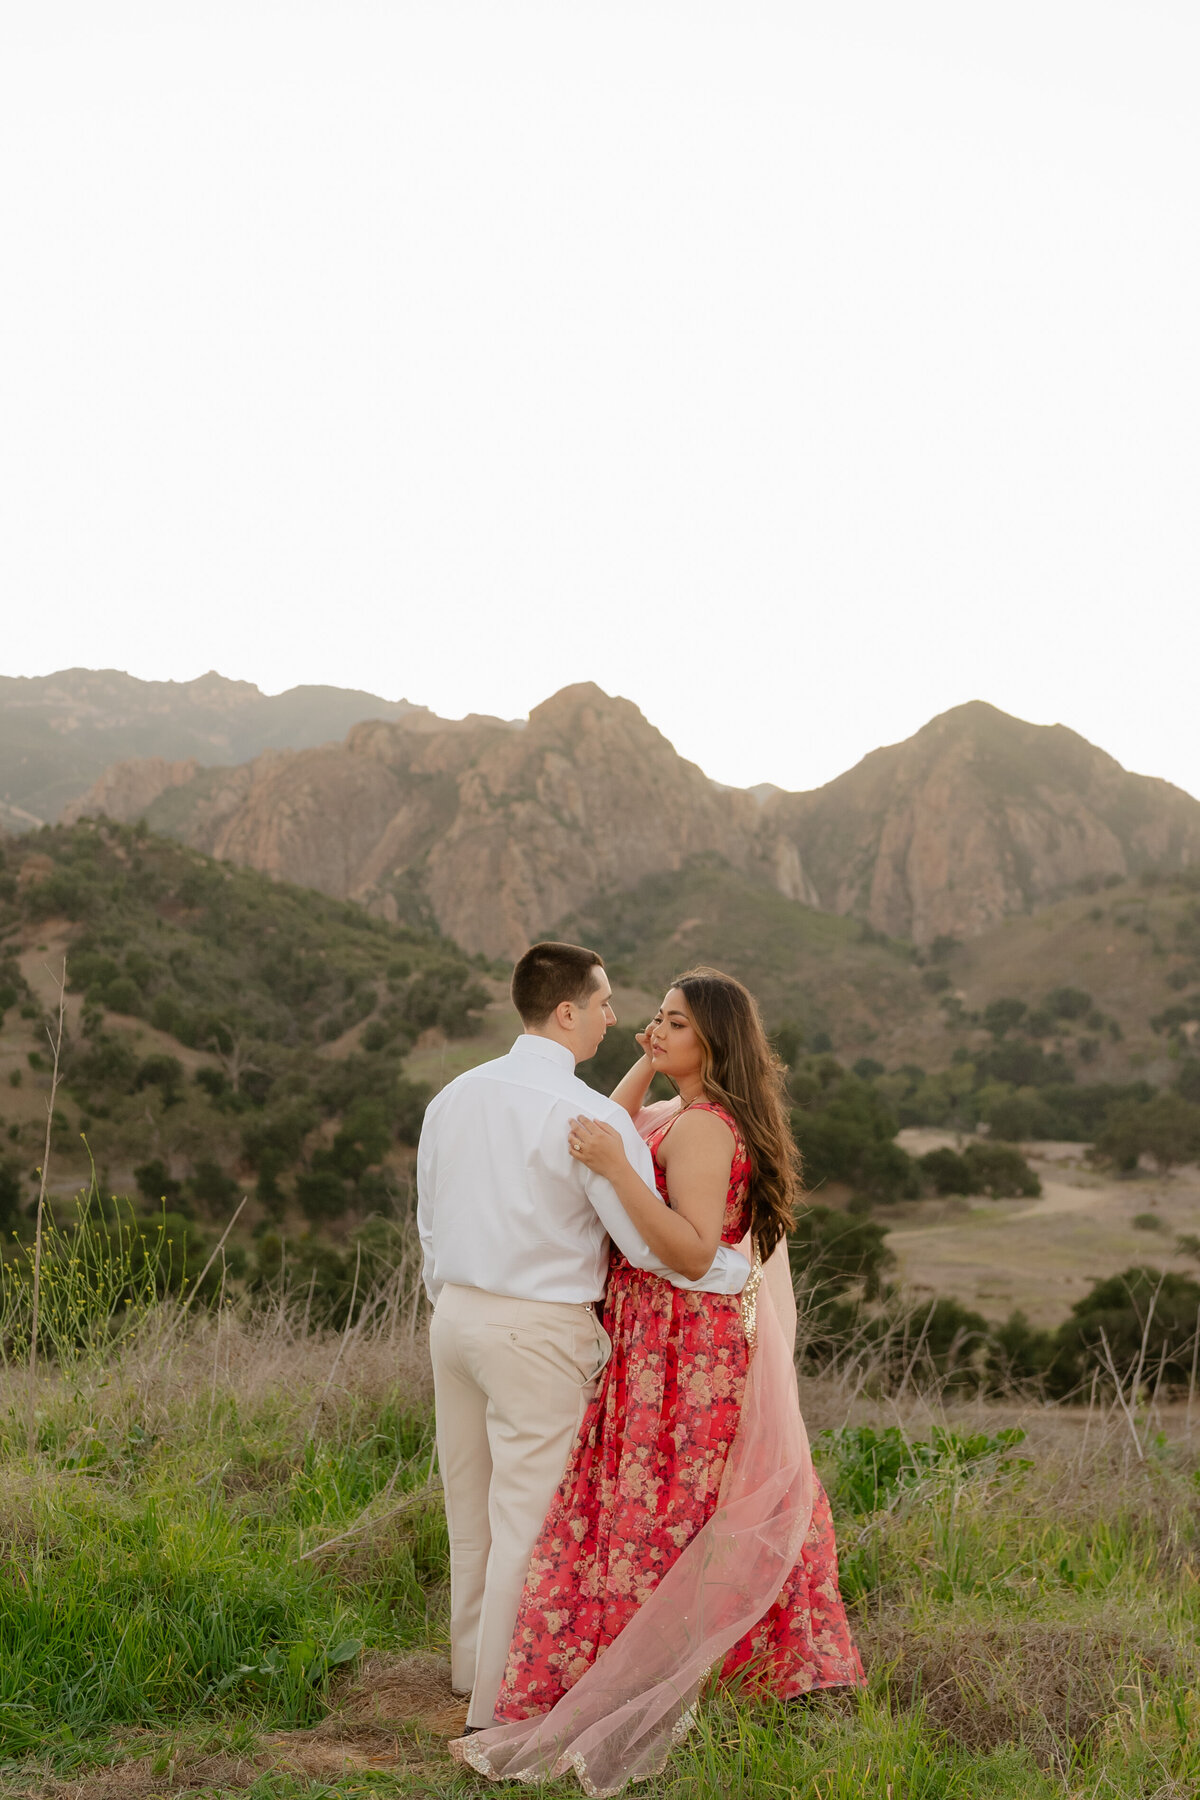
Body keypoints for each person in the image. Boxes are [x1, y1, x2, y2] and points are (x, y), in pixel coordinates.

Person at [455, 967, 864, 1795]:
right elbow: (610, 1117)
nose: (655, 1030)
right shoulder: (677, 1109)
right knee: (659, 1508)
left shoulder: (707, 1127)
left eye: (673, 1024)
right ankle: (670, 1672)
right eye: (653, 1019)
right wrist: (640, 1077)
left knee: (671, 1511)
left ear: (712, 1038)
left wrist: (615, 1165)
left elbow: (688, 1251)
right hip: (656, 1338)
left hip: (687, 1343)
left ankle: (690, 1680)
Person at [417, 943, 751, 1734]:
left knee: (468, 1507)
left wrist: (451, 1300)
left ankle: (469, 1671)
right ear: (567, 1011)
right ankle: (497, 1709)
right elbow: (644, 1250)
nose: (616, 1019)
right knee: (530, 1523)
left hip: (454, 1319)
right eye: (604, 1004)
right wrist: (737, 1273)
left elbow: (429, 1223)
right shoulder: (590, 1117)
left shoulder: (453, 1096)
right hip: (535, 1330)